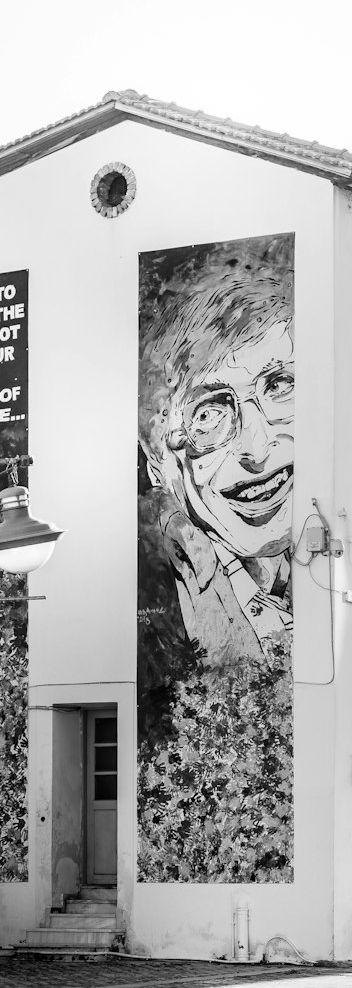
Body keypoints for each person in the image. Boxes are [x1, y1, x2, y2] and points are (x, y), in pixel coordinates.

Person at [139, 236, 293, 667]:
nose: (257, 448)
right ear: (156, 464)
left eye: (279, 386)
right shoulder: (158, 602)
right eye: (207, 416)